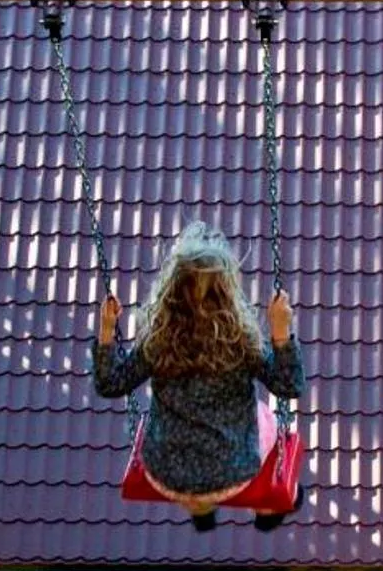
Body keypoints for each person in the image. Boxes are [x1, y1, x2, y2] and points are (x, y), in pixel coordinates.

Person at [95, 222, 304, 530]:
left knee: (184, 438)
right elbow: (288, 386)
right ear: (228, 291)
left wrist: (106, 332)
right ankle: (262, 510)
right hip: (231, 475)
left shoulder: (157, 341)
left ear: (171, 291)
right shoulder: (241, 342)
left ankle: (199, 508)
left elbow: (110, 384)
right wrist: (280, 333)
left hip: (165, 474)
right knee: (267, 417)